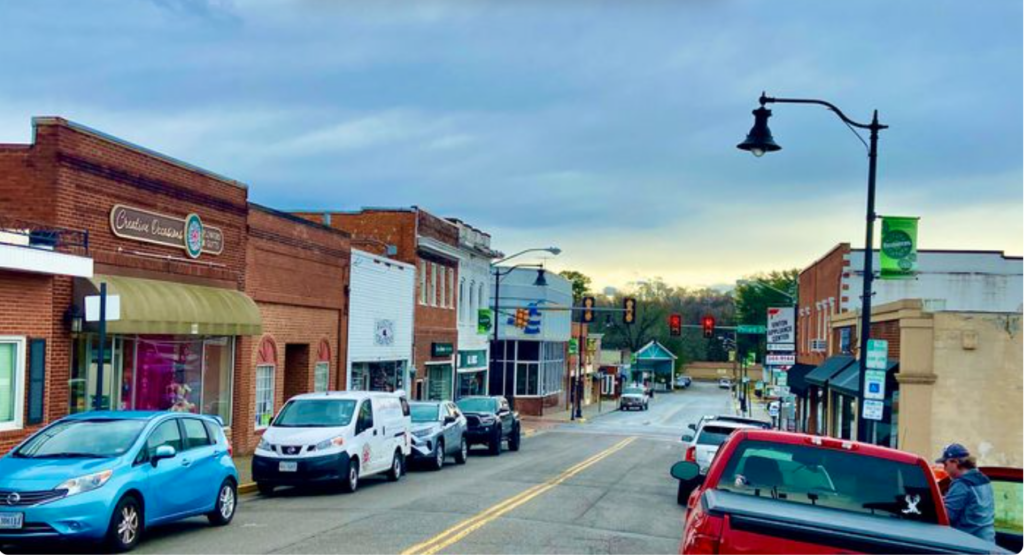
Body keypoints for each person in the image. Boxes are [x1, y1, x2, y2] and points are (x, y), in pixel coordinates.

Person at [936, 443, 995, 543]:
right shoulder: (984, 479)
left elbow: (947, 517)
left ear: (955, 462)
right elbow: (972, 504)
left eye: (945, 464)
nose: (944, 468)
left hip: (969, 545)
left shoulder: (962, 484)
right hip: (988, 541)